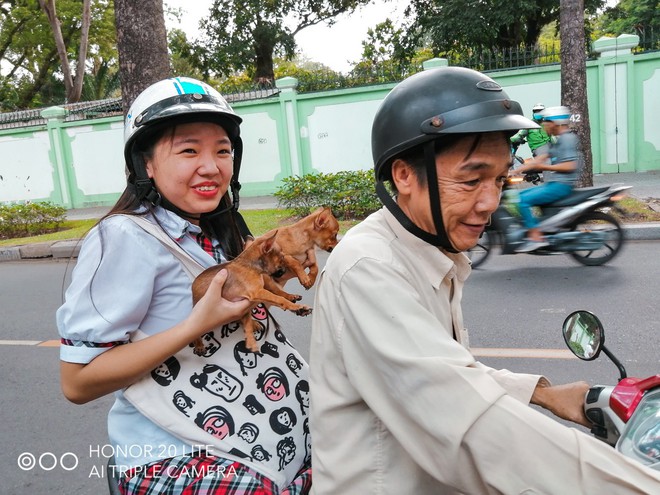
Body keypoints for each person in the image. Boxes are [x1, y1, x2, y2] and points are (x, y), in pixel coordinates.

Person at [308, 67, 660, 494]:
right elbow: (471, 423)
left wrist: (544, 393)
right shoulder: (369, 268)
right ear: (404, 176)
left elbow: (445, 372)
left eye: (498, 179)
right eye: (471, 180)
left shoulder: (429, 249)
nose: (490, 203)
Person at [57, 77, 311, 494]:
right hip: (176, 454)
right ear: (146, 164)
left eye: (223, 150)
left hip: (260, 435)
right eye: (189, 150)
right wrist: (195, 325)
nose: (211, 166)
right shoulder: (124, 236)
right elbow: (77, 381)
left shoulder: (215, 229)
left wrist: (283, 270)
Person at [512, 105, 582, 252]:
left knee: (522, 200)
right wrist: (515, 171)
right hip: (554, 183)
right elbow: (539, 159)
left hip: (561, 185)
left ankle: (535, 236)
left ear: (555, 123)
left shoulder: (567, 139)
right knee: (519, 196)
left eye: (546, 122)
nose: (543, 125)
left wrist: (546, 168)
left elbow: (570, 166)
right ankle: (540, 228)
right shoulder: (558, 140)